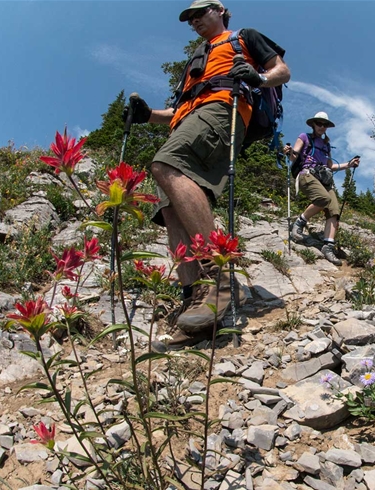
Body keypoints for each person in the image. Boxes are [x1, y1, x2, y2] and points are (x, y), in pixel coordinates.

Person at [126, 0, 290, 351]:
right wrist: (148, 115)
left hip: (222, 110)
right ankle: (196, 306)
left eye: (200, 13)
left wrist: (259, 78)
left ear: (220, 10)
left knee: (165, 164)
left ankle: (218, 275)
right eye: (190, 19)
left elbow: (282, 71)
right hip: (186, 120)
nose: (195, 21)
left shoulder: (243, 37)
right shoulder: (196, 60)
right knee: (170, 210)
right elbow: (177, 108)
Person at [284, 112, 360, 266]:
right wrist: (289, 151)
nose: (322, 127)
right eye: (319, 123)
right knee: (323, 199)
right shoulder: (304, 137)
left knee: (334, 210)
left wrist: (349, 164)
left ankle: (328, 246)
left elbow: (330, 166)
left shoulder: (326, 145)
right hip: (306, 174)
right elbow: (294, 156)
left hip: (323, 179)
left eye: (325, 125)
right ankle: (299, 223)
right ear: (313, 124)